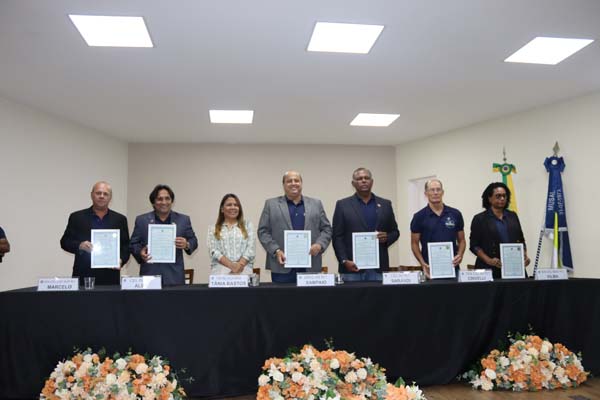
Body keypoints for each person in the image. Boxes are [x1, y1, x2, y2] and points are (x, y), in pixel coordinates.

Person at [258, 170, 332, 283]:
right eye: (289, 181)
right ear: (283, 185)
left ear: (301, 183)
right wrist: (276, 250)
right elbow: (263, 231)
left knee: (310, 295)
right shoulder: (271, 204)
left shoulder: (316, 204)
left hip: (310, 264)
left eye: (296, 180)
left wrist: (319, 245)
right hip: (281, 265)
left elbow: (327, 229)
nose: (293, 183)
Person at [332, 167, 400, 281]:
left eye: (366, 178)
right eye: (359, 179)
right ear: (353, 183)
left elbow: (395, 232)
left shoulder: (385, 204)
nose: (363, 181)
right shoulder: (342, 205)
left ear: (372, 182)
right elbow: (337, 236)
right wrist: (344, 260)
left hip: (378, 268)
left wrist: (387, 237)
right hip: (351, 268)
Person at [60, 181, 130, 285]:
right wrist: (80, 245)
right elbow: (65, 242)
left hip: (110, 275)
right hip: (83, 275)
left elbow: (126, 246)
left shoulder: (120, 219)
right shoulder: (77, 217)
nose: (102, 196)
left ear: (110, 197)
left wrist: (121, 260)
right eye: (98, 193)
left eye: (105, 194)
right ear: (92, 195)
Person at [130, 184, 198, 285]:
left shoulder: (183, 220)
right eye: (159, 199)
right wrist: (140, 252)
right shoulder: (142, 220)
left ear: (172, 201)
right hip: (150, 274)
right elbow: (133, 244)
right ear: (153, 202)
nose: (164, 202)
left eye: (167, 198)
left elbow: (193, 240)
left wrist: (187, 244)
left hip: (174, 276)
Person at [469, 182, 530, 279]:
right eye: (498, 196)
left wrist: (524, 256)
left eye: (504, 196)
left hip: (513, 268)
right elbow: (474, 246)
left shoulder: (513, 216)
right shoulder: (480, 219)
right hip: (489, 268)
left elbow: (521, 240)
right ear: (489, 198)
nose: (502, 199)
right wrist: (488, 260)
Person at [410, 179, 465, 278]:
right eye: (432, 190)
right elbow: (414, 243)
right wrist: (422, 263)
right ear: (426, 193)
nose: (435, 193)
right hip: (429, 269)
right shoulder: (419, 216)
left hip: (452, 268)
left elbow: (462, 240)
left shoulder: (455, 214)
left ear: (442, 192)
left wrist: (460, 255)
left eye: (438, 189)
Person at [207, 193, 255, 275]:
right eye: (229, 205)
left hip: (243, 269)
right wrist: (231, 266)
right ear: (222, 209)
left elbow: (251, 248)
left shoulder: (248, 225)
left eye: (236, 205)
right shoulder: (213, 228)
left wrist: (239, 265)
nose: (233, 207)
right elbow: (213, 250)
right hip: (220, 271)